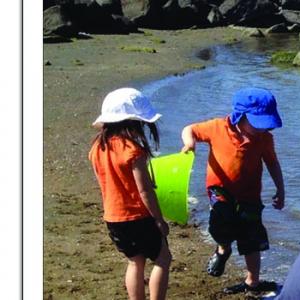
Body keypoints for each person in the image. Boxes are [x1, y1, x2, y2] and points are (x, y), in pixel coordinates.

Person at [180, 87, 285, 294]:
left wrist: (280, 189)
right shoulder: (217, 128)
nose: (262, 129)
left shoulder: (264, 139)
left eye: (265, 124)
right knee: (221, 224)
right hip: (219, 189)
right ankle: (223, 249)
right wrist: (189, 143)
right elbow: (189, 129)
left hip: (250, 195)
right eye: (257, 124)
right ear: (240, 115)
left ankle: (252, 281)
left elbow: (272, 163)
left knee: (252, 238)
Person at [89, 87, 172, 300]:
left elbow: (105, 181)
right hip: (138, 216)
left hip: (113, 217)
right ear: (133, 122)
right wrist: (159, 220)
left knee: (135, 261)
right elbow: (144, 190)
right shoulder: (133, 150)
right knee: (163, 258)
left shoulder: (97, 147)